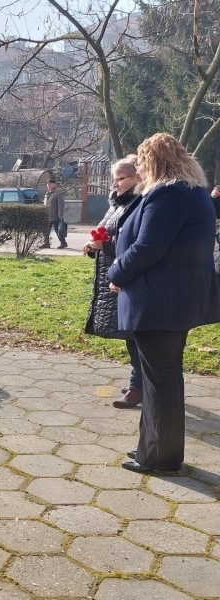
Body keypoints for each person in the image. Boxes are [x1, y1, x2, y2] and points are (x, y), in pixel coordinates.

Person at [107, 133, 220, 474]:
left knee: (160, 382)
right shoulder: (191, 192)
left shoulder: (169, 194)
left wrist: (116, 272)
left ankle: (160, 458)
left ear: (154, 162)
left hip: (159, 301)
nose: (138, 169)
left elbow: (147, 248)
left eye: (141, 163)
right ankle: (152, 447)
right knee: (163, 380)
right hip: (171, 300)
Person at [83, 155, 144, 409]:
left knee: (137, 336)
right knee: (131, 335)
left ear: (137, 177)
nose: (115, 184)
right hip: (114, 277)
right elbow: (107, 234)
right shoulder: (117, 203)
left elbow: (132, 244)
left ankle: (138, 386)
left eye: (122, 178)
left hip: (127, 278)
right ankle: (139, 382)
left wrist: (105, 245)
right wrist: (93, 246)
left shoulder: (138, 203)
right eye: (114, 179)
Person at [42, 178, 67, 249]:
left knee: (58, 229)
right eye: (47, 184)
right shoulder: (47, 193)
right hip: (48, 215)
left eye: (50, 184)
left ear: (54, 184)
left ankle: (63, 243)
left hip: (56, 216)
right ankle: (46, 243)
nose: (48, 185)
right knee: (46, 230)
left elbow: (61, 204)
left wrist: (60, 215)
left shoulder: (57, 193)